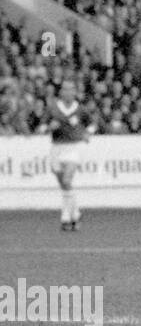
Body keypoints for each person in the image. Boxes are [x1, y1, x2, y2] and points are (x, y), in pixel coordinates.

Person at [41, 79, 93, 231]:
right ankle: (75, 214)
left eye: (71, 89)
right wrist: (49, 127)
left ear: (75, 91)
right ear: (61, 92)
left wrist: (87, 133)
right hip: (57, 148)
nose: (68, 92)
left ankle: (65, 216)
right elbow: (42, 125)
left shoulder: (81, 109)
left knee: (67, 178)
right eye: (65, 89)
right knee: (64, 185)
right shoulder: (53, 108)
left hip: (73, 147)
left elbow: (92, 124)